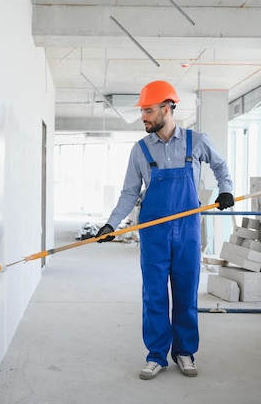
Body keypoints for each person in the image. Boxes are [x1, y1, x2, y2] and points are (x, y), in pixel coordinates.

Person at [95, 80, 234, 380]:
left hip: (187, 230)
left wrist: (226, 191)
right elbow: (130, 192)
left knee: (186, 292)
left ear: (166, 108)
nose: (142, 116)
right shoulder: (141, 149)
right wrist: (111, 223)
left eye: (147, 110)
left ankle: (184, 352)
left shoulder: (196, 141)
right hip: (154, 232)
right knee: (154, 295)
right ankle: (156, 355)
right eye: (143, 110)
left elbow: (221, 166)